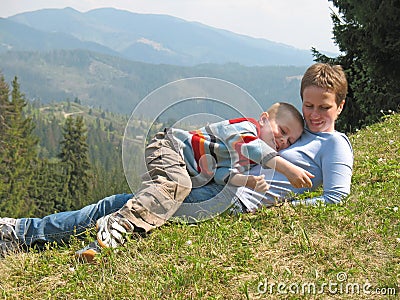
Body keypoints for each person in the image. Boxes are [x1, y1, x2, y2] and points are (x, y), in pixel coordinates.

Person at [0, 102, 309, 258]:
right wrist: (286, 168)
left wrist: (247, 182)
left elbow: (222, 173)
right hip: (169, 147)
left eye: (288, 141)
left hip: (184, 169)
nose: (281, 141)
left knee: (168, 194)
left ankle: (106, 235)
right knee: (178, 186)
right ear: (264, 119)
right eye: (281, 132)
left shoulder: (249, 155)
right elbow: (247, 144)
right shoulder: (246, 128)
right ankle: (117, 223)